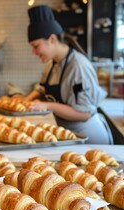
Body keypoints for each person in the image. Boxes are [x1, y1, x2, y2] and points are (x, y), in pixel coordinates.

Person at [22, 5, 112, 144]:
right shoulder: (52, 64)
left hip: (89, 139)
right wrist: (26, 100)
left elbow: (84, 113)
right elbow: (41, 89)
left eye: (36, 46)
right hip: (68, 135)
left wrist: (47, 106)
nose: (34, 52)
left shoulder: (78, 66)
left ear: (52, 39)